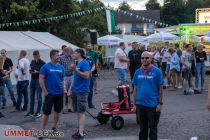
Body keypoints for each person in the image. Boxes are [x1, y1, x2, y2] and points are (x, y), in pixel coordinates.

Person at [132, 51, 164, 140]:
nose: (144, 59)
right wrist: (134, 104)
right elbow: (135, 89)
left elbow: (160, 89)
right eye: (143, 58)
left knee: (153, 129)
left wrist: (160, 103)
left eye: (147, 58)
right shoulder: (137, 72)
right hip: (140, 105)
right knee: (142, 129)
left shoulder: (157, 71)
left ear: (151, 59)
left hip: (153, 105)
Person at [39, 49, 66, 140]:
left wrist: (64, 89)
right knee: (46, 113)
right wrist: (45, 91)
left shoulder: (61, 67)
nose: (59, 56)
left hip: (59, 93)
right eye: (57, 55)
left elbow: (62, 80)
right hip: (49, 94)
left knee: (57, 111)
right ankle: (41, 132)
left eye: (59, 55)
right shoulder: (45, 67)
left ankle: (54, 126)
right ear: (52, 56)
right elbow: (41, 79)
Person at [71, 49, 91, 140]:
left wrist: (76, 70)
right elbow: (75, 78)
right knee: (78, 112)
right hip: (76, 91)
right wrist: (70, 89)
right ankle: (80, 130)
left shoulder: (85, 63)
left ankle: (81, 134)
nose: (73, 54)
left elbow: (86, 75)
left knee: (81, 112)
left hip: (82, 91)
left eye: (75, 53)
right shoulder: (78, 63)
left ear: (79, 54)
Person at [25, 50, 45, 117]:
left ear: (39, 56)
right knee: (31, 96)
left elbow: (44, 73)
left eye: (36, 57)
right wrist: (31, 71)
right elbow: (31, 69)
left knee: (39, 97)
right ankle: (31, 111)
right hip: (32, 79)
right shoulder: (32, 61)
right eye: (34, 57)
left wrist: (38, 72)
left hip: (39, 80)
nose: (35, 58)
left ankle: (38, 112)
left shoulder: (43, 63)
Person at [60, 47, 74, 113]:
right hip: (64, 76)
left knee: (70, 91)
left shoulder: (72, 58)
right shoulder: (61, 58)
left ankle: (69, 106)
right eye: (70, 52)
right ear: (66, 52)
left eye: (71, 52)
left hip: (71, 75)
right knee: (64, 92)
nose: (71, 54)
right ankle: (64, 107)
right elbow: (59, 67)